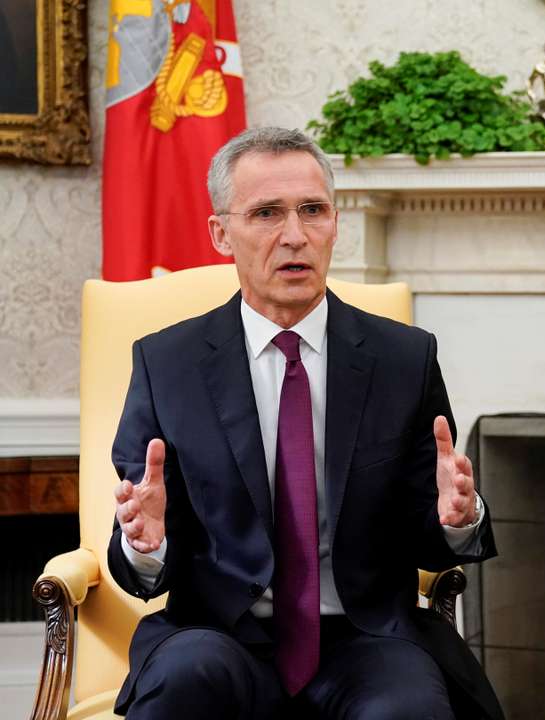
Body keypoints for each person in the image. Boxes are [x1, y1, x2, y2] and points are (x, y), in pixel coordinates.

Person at [107, 127, 502, 720]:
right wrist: (146, 544)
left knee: (409, 706)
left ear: (335, 224)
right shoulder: (167, 363)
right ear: (221, 234)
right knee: (184, 680)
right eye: (266, 213)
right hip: (220, 632)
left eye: (311, 210)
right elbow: (142, 565)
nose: (295, 236)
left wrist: (457, 518)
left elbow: (432, 526)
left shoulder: (403, 358)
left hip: (366, 635)